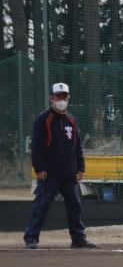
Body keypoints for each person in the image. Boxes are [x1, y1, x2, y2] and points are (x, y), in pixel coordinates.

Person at [24, 83, 96, 249]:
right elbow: (37, 147)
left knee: (75, 207)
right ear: (51, 98)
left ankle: (78, 238)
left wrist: (80, 167)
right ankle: (31, 237)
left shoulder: (72, 120)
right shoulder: (43, 119)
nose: (62, 99)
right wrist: (39, 168)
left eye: (65, 96)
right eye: (58, 96)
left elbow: (77, 146)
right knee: (41, 206)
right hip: (49, 174)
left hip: (69, 173)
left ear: (68, 97)